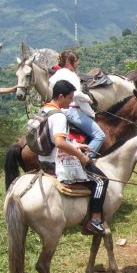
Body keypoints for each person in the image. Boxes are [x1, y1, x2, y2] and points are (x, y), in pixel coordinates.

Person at [43, 79, 109, 234]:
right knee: (101, 180)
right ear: (60, 96)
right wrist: (80, 155)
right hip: (57, 161)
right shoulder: (59, 116)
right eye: (70, 98)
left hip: (43, 159)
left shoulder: (45, 109)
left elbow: (53, 137)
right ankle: (95, 220)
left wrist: (76, 144)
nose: (71, 101)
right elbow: (59, 142)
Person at [50, 50, 106, 158]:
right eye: (75, 61)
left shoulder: (57, 74)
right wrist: (88, 99)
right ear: (68, 61)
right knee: (99, 135)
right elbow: (76, 93)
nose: (77, 63)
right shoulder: (72, 75)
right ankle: (84, 159)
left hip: (57, 109)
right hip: (72, 110)